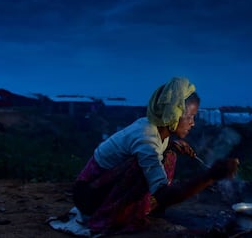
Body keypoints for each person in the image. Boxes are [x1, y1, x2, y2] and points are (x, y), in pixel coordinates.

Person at [72, 77, 239, 235]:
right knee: (145, 166)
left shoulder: (154, 127)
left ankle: (137, 206)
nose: (193, 123)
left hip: (96, 189)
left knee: (168, 154)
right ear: (174, 114)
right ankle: (114, 214)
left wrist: (170, 146)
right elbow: (163, 194)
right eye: (190, 117)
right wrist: (210, 176)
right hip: (88, 197)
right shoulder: (146, 139)